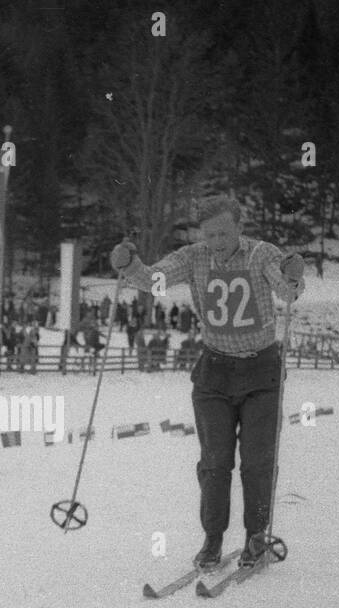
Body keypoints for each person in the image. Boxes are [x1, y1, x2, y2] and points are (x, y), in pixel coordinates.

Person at [111, 194, 304, 569]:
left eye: (224, 233)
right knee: (214, 462)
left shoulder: (260, 254)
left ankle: (255, 536)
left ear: (239, 228)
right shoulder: (194, 256)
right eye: (211, 234)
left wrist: (293, 275)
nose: (217, 242)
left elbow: (285, 288)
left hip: (260, 371)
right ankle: (212, 538)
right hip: (215, 372)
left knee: (257, 461)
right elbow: (155, 280)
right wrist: (131, 265)